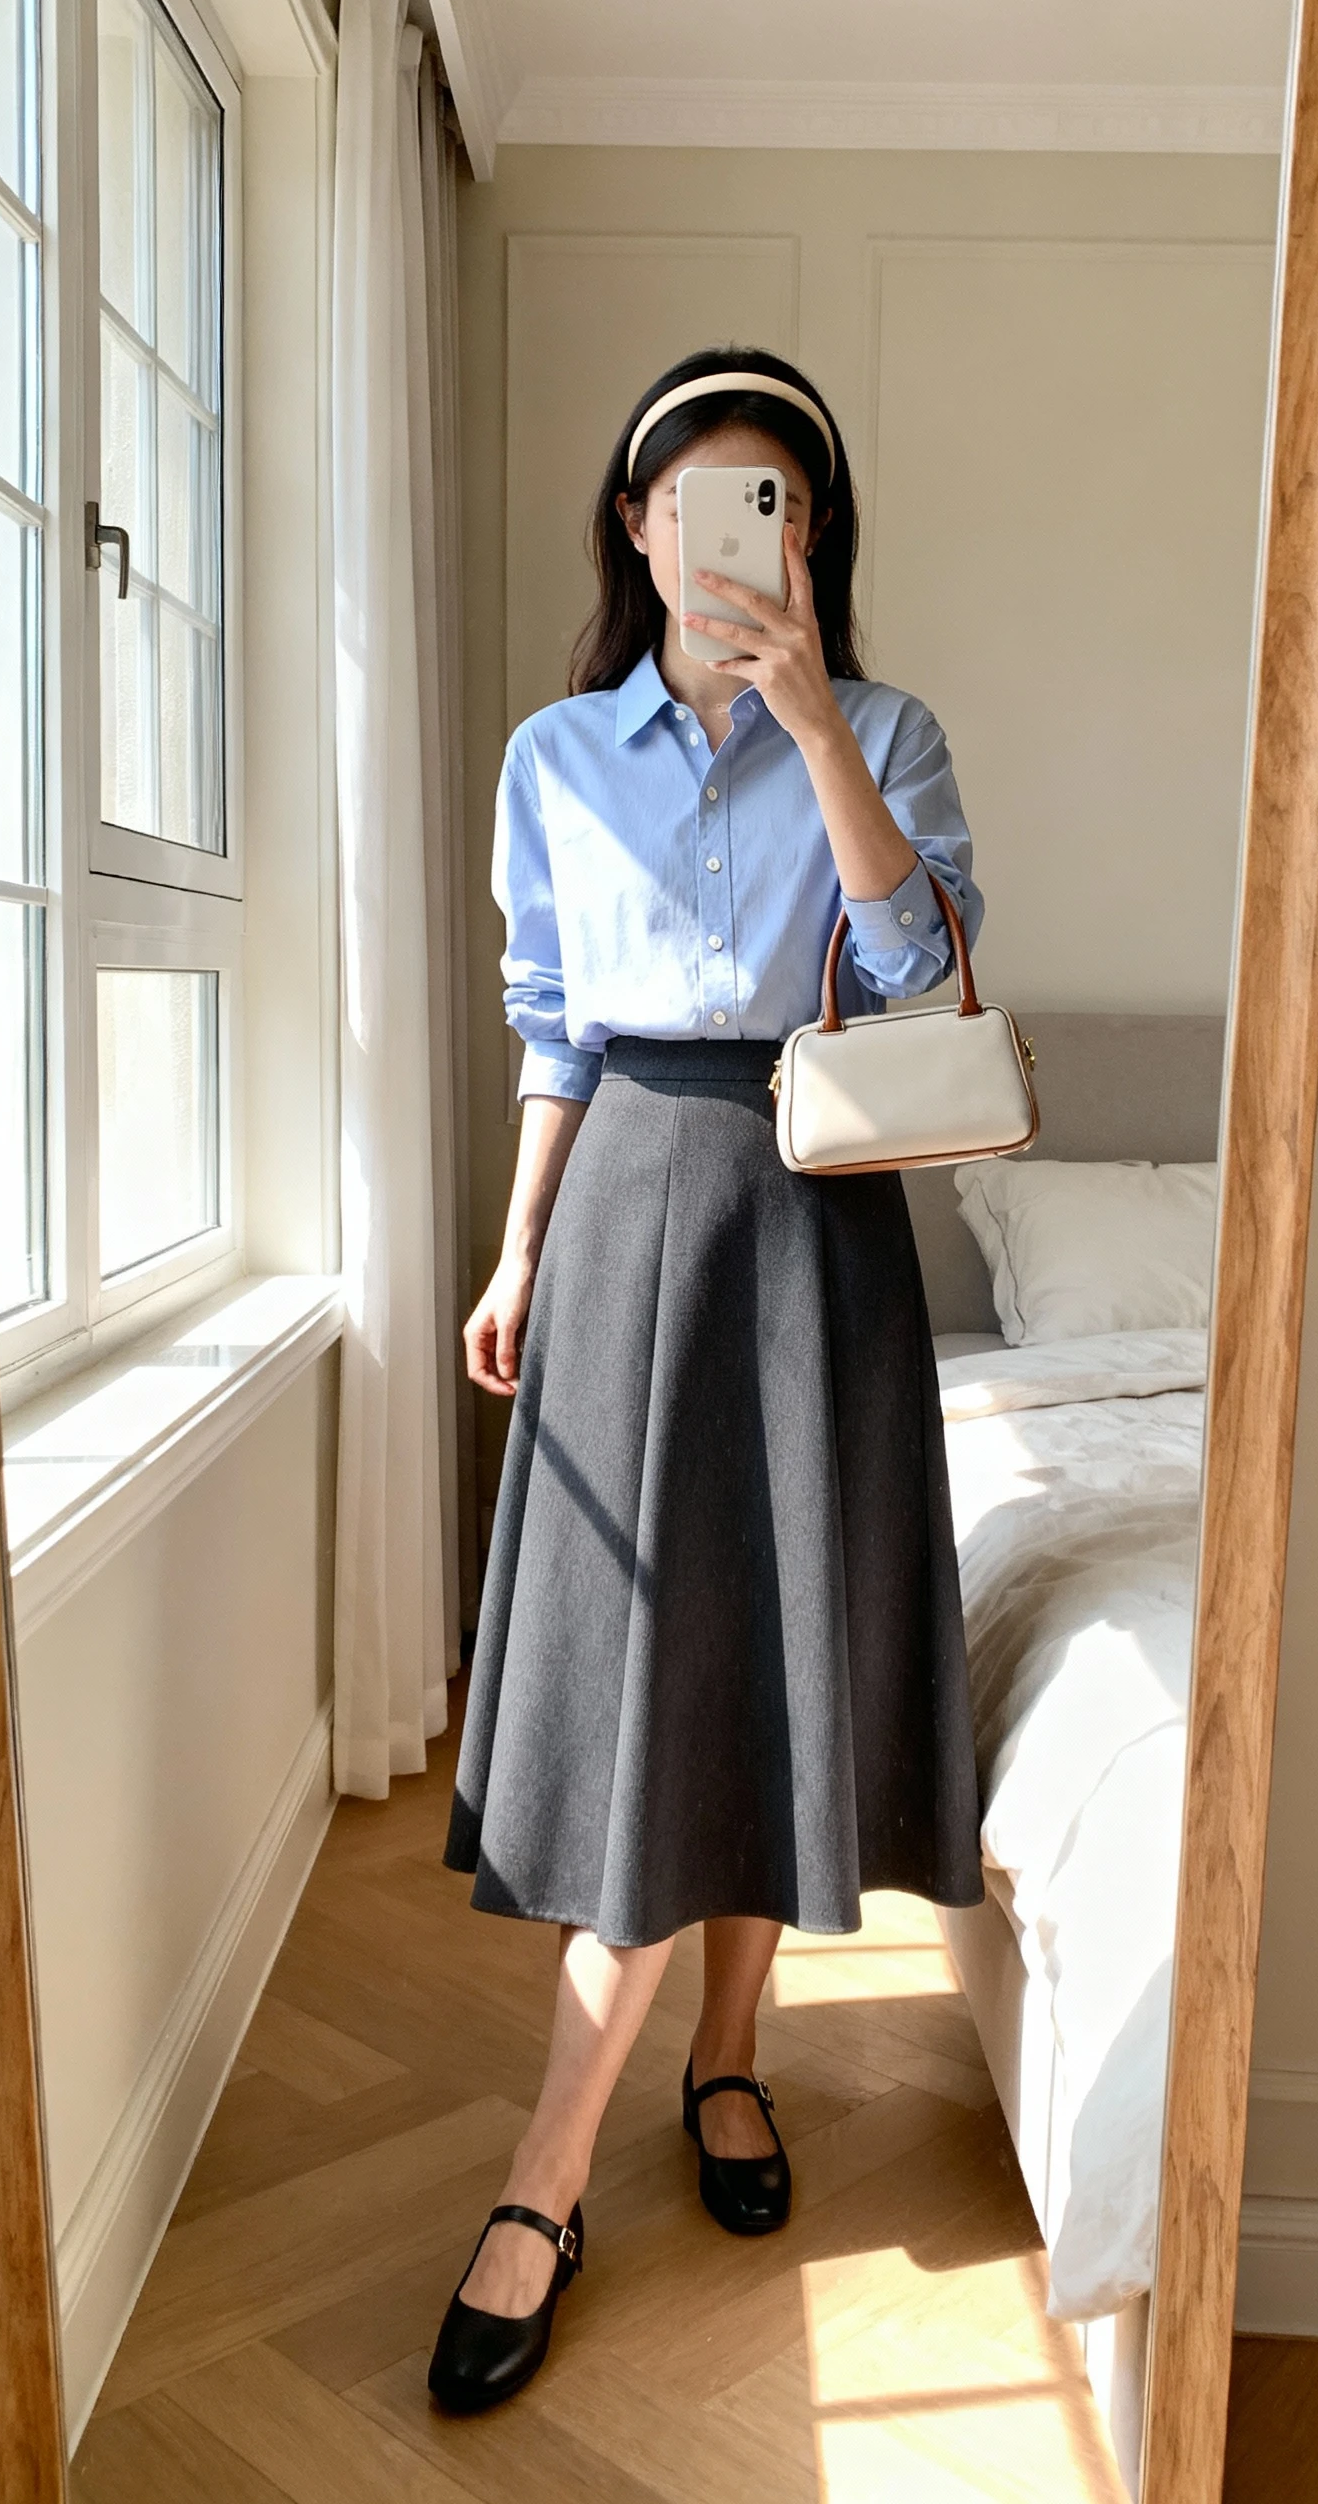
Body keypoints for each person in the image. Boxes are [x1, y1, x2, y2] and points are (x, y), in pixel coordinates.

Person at [429, 346, 984, 2415]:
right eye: (702, 498)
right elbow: (555, 1023)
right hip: (634, 1214)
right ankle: (548, 2163)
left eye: (781, 502)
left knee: (774, 1667)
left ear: (809, 541)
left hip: (818, 1208)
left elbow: (921, 961)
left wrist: (822, 719)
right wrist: (515, 1243)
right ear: (639, 524)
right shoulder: (555, 754)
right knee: (663, 1684)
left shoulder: (894, 729)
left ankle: (724, 2053)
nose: (738, 532)